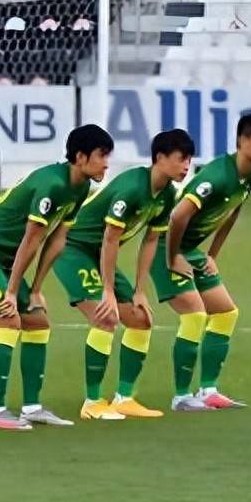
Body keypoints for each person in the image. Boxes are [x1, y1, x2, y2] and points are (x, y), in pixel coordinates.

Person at [0, 125, 114, 430]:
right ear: (80, 157)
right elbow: (32, 239)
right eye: (101, 155)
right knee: (8, 320)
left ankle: (31, 407)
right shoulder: (52, 184)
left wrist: (37, 288)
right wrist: (12, 291)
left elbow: (57, 239)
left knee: (38, 322)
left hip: (5, 261)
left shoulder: (80, 187)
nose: (106, 163)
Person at [54, 129, 194, 420]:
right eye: (181, 159)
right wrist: (108, 291)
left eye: (189, 160)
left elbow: (151, 240)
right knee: (106, 316)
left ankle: (124, 398)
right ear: (160, 158)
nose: (186, 166)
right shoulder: (132, 188)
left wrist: (140, 290)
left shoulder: (168, 194)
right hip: (73, 249)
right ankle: (92, 402)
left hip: (99, 254)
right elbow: (110, 238)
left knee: (141, 319)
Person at [153, 114, 251, 411]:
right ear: (242, 141)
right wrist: (173, 257)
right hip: (164, 246)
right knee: (195, 315)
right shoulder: (217, 176)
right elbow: (177, 216)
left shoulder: (250, 175)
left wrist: (211, 255)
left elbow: (232, 212)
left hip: (189, 250)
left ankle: (208, 390)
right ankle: (181, 397)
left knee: (225, 313)